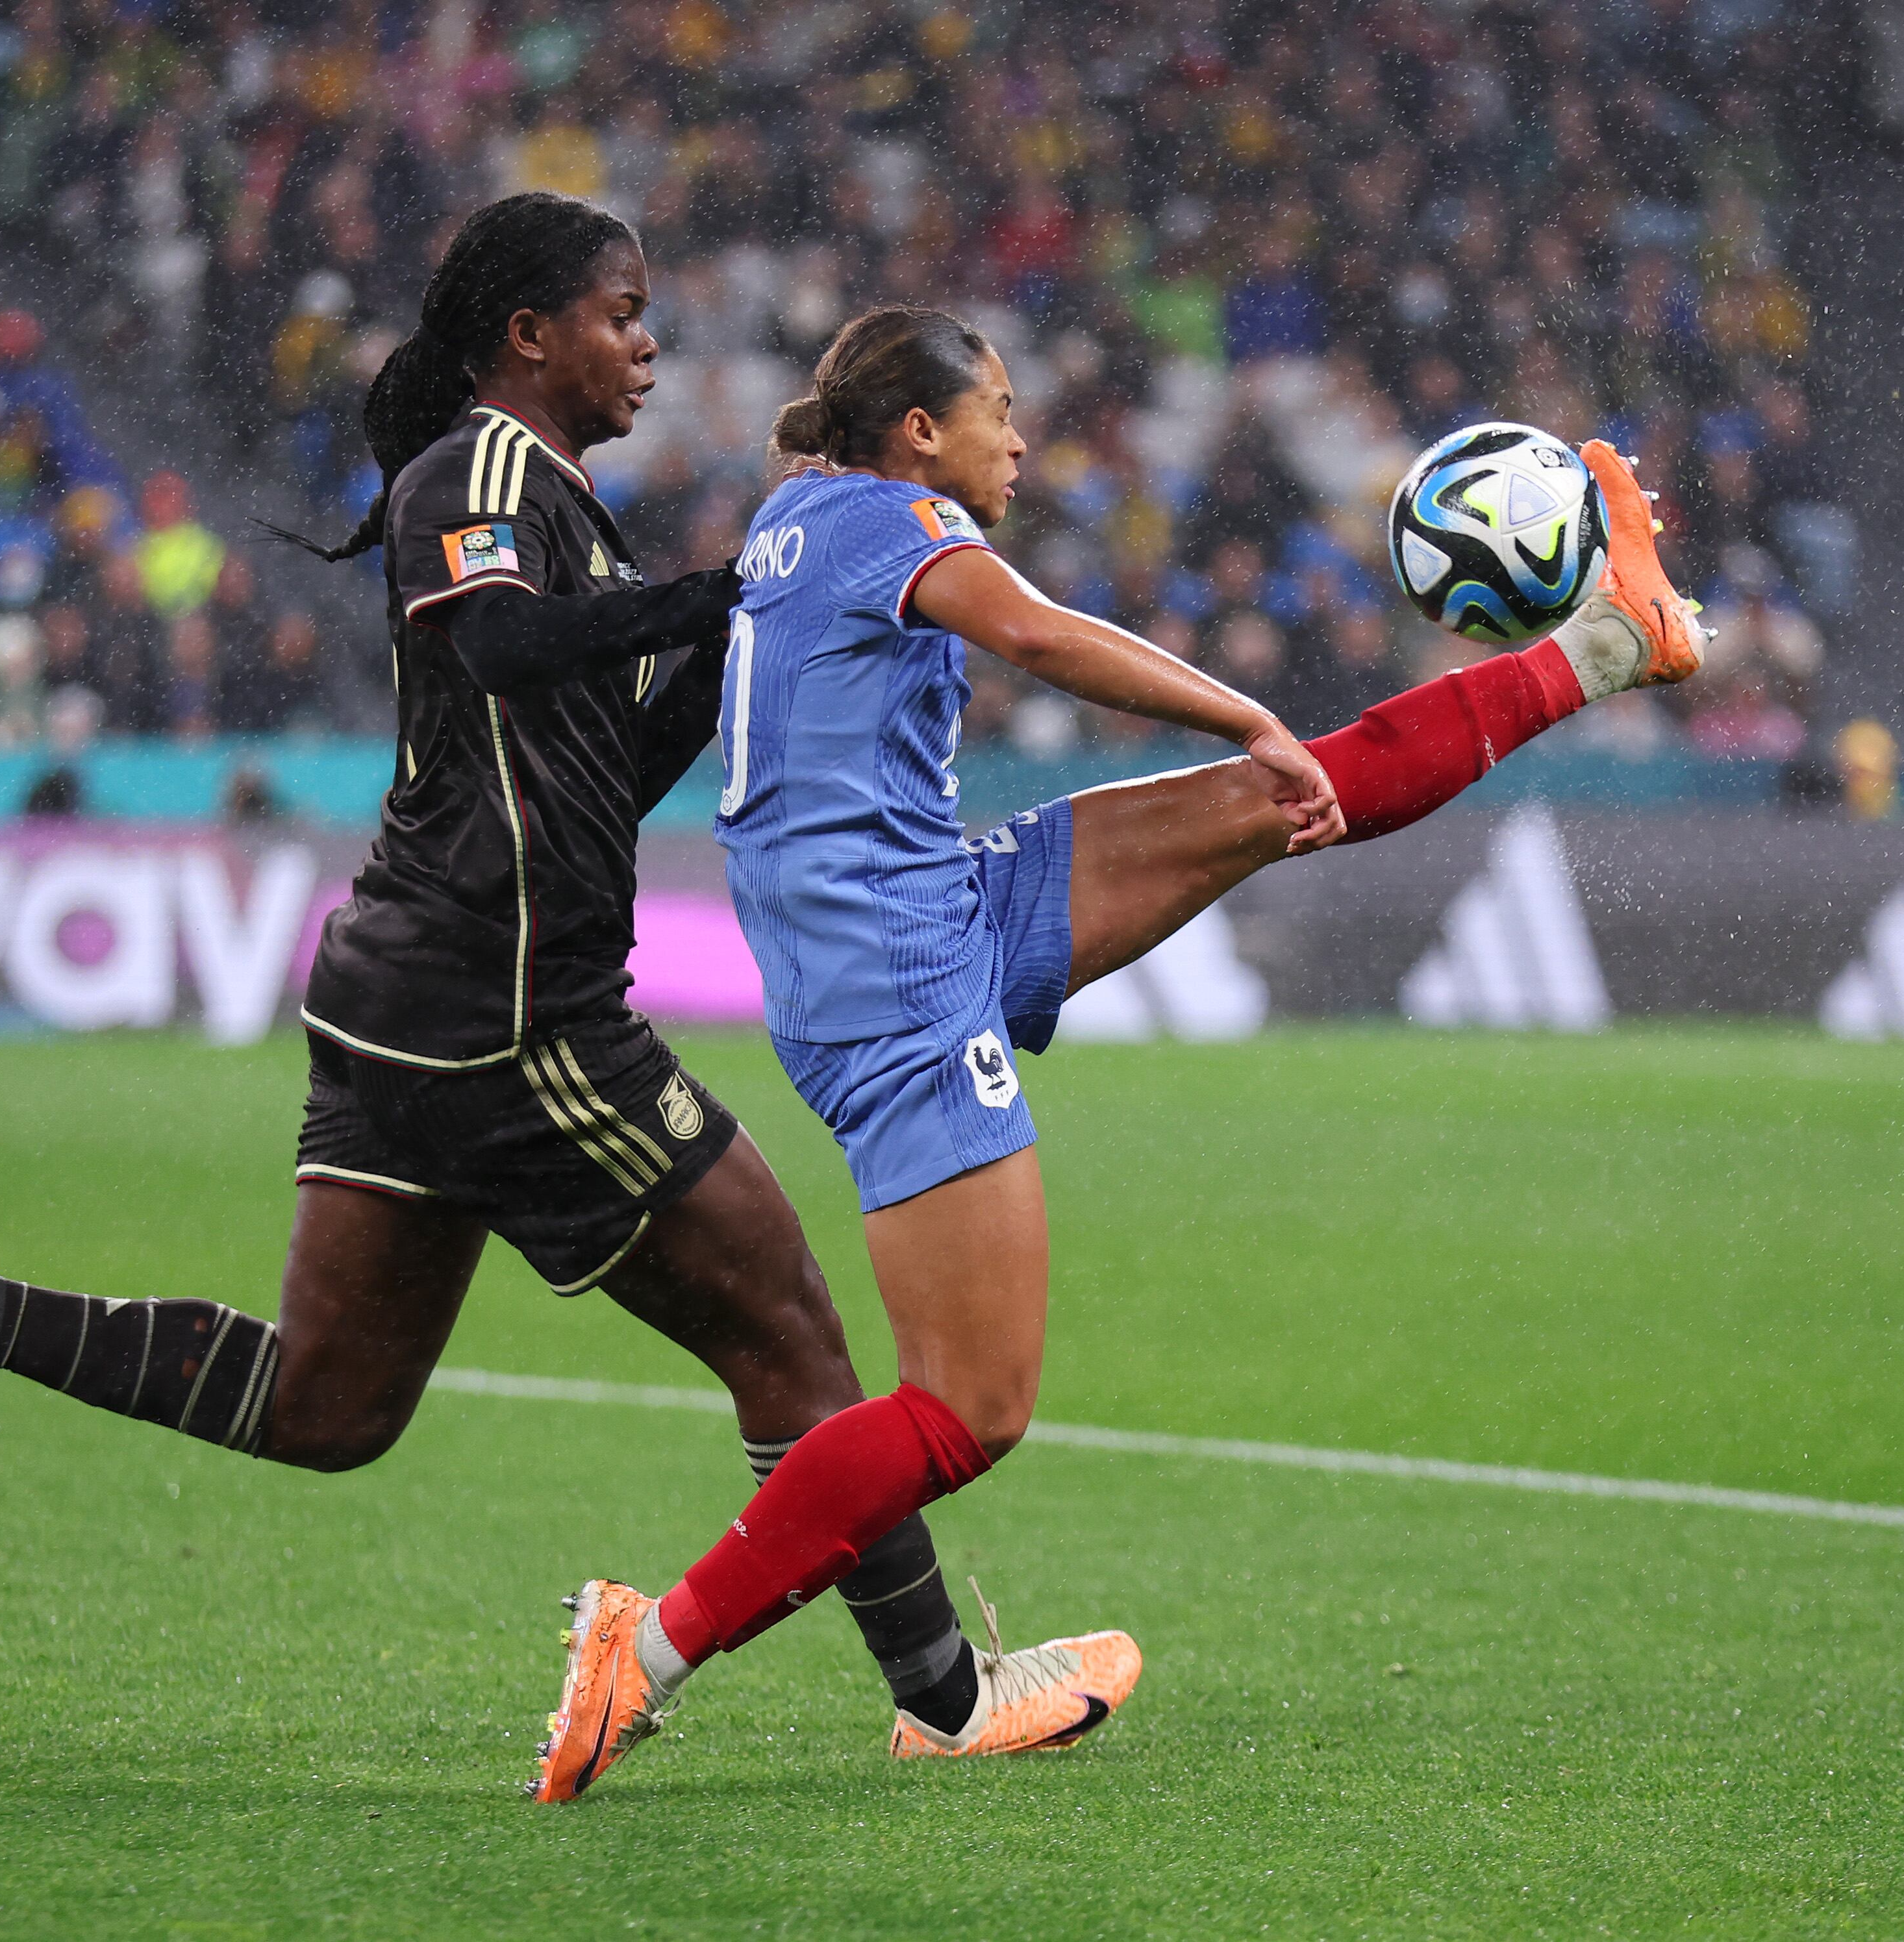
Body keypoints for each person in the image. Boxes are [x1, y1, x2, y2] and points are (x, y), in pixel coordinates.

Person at [0, 199, 1112, 1764]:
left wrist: (759, 626)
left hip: (408, 999)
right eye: (621, 311)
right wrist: (716, 594)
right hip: (512, 1012)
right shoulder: (479, 471)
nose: (649, 342)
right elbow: (497, 648)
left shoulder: (560, 504)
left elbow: (603, 759)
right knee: (791, 1335)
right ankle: (947, 1697)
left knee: (331, 1405)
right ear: (529, 334)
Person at [529, 307, 1707, 1802]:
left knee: (1273, 799)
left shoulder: (802, 515)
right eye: (997, 409)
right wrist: (1240, 702)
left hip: (920, 903)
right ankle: (655, 1641)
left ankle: (1608, 644)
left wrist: (1256, 745)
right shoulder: (889, 520)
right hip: (890, 972)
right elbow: (1035, 634)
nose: (1020, 435)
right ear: (918, 435)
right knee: (970, 1402)